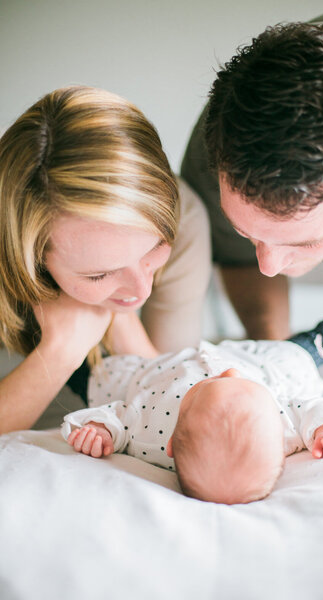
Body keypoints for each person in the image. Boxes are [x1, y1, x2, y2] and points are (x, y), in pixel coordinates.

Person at [181, 3, 323, 340]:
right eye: (248, 233)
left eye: (306, 242)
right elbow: (239, 260)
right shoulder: (227, 131)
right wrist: (275, 354)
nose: (269, 267)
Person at [0, 85, 211, 434]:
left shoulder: (184, 218)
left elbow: (174, 399)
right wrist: (61, 350)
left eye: (154, 248)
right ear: (34, 260)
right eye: (99, 274)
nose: (141, 289)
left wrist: (119, 319)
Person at [61, 316, 323, 504]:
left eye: (206, 387)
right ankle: (314, 346)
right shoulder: (282, 428)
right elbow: (307, 409)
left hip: (156, 373)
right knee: (293, 362)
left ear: (171, 445)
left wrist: (99, 430)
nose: (229, 373)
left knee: (98, 379)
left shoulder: (144, 434)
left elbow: (116, 416)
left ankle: (66, 365)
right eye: (239, 384)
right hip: (258, 368)